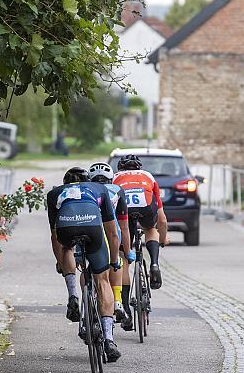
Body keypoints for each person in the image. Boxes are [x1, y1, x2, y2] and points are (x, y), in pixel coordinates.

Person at [47, 167, 122, 362]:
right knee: (103, 281)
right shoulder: (99, 189)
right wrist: (114, 260)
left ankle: (73, 295)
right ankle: (109, 339)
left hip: (67, 226)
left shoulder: (55, 193)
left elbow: (55, 237)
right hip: (92, 226)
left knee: (66, 248)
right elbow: (113, 234)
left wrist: (61, 264)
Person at [113, 155, 168, 298]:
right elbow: (162, 219)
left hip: (125, 209)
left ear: (120, 168)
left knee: (124, 260)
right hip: (146, 207)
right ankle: (154, 264)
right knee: (150, 229)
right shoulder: (148, 176)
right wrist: (162, 239)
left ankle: (124, 307)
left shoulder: (115, 178)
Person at [88, 162, 131, 324]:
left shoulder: (87, 188)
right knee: (117, 261)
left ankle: (87, 298)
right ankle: (118, 301)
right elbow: (124, 226)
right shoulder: (117, 190)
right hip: (110, 231)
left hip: (87, 227)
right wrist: (127, 251)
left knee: (86, 264)